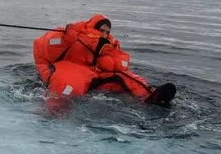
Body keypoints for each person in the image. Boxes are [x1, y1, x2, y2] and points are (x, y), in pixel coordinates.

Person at [33, 13, 175, 115]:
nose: (105, 34)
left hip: (94, 75)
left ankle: (150, 97)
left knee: (125, 77)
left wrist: (110, 50)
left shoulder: (108, 44)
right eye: (102, 30)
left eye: (107, 32)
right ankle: (54, 111)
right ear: (93, 28)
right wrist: (65, 37)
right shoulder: (73, 35)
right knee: (70, 84)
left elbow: (119, 66)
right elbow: (42, 46)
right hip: (71, 68)